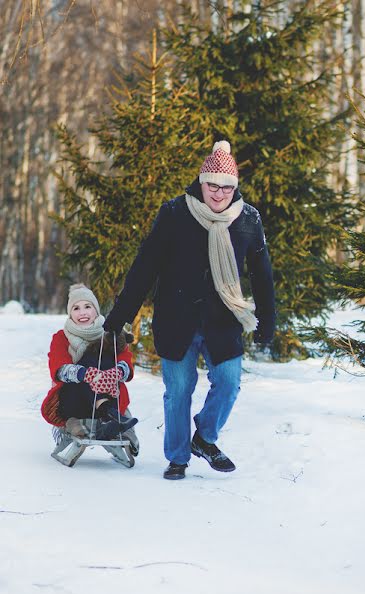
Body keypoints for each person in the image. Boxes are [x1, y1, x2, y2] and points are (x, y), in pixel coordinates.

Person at [104, 140, 275, 481]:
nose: (219, 193)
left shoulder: (248, 219)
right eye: (213, 185)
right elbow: (145, 267)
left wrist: (267, 320)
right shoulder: (174, 213)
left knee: (229, 383)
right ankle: (178, 457)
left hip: (224, 319)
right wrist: (120, 315)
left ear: (235, 187)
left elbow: (262, 273)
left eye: (227, 187)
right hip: (176, 317)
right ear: (201, 180)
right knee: (179, 391)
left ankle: (205, 437)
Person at [41, 284, 138, 440]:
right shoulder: (61, 337)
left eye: (87, 306)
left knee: (105, 356)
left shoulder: (109, 333)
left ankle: (108, 416)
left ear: (96, 310)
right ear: (70, 314)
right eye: (76, 308)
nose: (82, 312)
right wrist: (85, 374)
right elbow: (58, 367)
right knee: (89, 360)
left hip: (110, 393)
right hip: (74, 400)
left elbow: (125, 358)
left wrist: (116, 372)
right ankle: (107, 414)